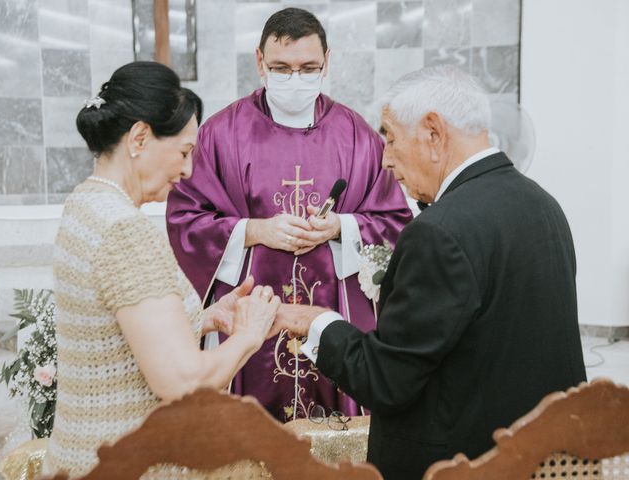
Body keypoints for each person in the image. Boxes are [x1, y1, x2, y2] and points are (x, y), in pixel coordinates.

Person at [273, 65, 587, 479]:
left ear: (433, 133)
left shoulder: (439, 232)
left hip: (464, 463)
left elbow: (386, 381)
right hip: (544, 456)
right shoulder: (544, 205)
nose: (384, 158)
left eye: (389, 136)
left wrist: (314, 321)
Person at [166, 8, 412, 422]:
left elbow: (395, 223)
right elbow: (185, 220)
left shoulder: (357, 136)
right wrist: (255, 230)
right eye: (281, 68)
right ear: (260, 62)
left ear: (327, 63)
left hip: (332, 311)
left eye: (308, 68)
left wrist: (341, 226)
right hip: (251, 311)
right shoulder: (220, 134)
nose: (295, 79)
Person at [43, 62, 281, 478]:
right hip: (130, 465)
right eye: (185, 152)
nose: (188, 171)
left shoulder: (85, 203)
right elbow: (182, 383)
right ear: (139, 137)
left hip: (85, 455)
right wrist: (249, 334)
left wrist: (202, 319)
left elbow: (116, 332)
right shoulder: (126, 230)